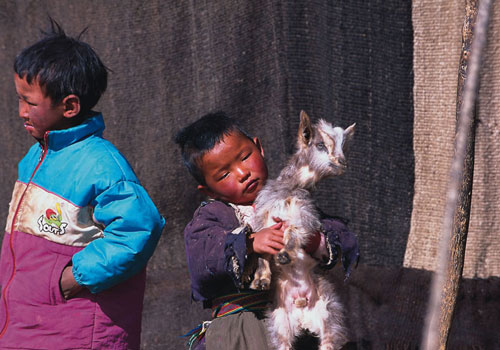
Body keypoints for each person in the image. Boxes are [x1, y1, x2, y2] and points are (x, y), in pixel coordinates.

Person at [0, 20, 165, 350]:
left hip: (76, 330)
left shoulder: (101, 164)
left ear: (70, 106)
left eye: (29, 102)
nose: (20, 112)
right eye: (19, 99)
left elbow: (139, 228)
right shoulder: (34, 158)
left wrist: (72, 278)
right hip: (27, 326)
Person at [175, 112, 359, 350]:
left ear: (259, 147)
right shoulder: (211, 218)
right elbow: (203, 260)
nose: (243, 174)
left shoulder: (291, 197)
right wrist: (250, 242)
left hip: (298, 320)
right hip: (241, 330)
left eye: (244, 157)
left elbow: (337, 234)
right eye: (224, 174)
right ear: (209, 190)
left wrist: (313, 240)